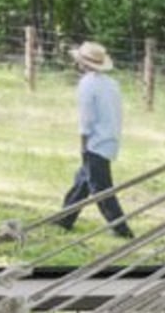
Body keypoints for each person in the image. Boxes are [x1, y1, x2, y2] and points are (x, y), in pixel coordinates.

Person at [54, 41, 133, 237]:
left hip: (95, 141)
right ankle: (65, 219)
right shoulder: (111, 84)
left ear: (83, 63)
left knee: (101, 188)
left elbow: (86, 118)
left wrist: (83, 143)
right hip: (110, 138)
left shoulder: (87, 84)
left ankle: (121, 228)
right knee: (83, 181)